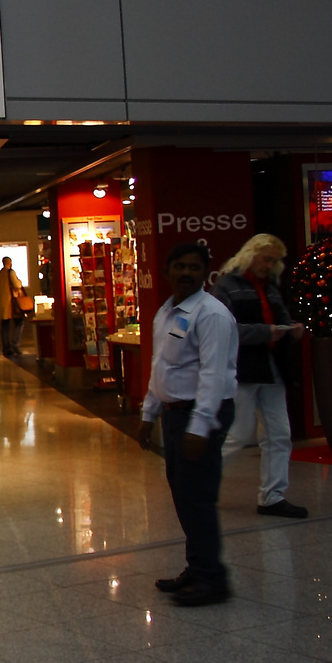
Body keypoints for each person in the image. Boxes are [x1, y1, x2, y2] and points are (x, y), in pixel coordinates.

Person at [139, 243, 238, 607]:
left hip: (200, 414)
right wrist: (149, 414)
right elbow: (162, 366)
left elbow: (213, 375)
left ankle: (213, 579)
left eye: (194, 267)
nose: (186, 273)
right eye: (179, 266)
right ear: (167, 272)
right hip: (175, 413)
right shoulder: (169, 312)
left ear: (205, 273)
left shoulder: (211, 315)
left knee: (196, 498)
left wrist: (200, 426)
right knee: (183, 496)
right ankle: (197, 568)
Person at [216, 234, 307, 519]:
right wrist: (266, 332)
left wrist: (290, 332)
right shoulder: (226, 286)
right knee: (238, 434)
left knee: (279, 434)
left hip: (272, 368)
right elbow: (225, 331)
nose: (270, 265)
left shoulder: (271, 288)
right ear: (250, 254)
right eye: (266, 258)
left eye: (274, 260)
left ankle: (272, 496)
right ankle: (200, 484)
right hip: (243, 369)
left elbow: (278, 321)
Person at [0, 257, 26, 356]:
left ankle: (6, 347)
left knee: (5, 326)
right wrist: (19, 282)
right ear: (10, 263)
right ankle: (15, 344)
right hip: (11, 304)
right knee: (19, 322)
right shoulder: (11, 272)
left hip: (2, 304)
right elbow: (17, 285)